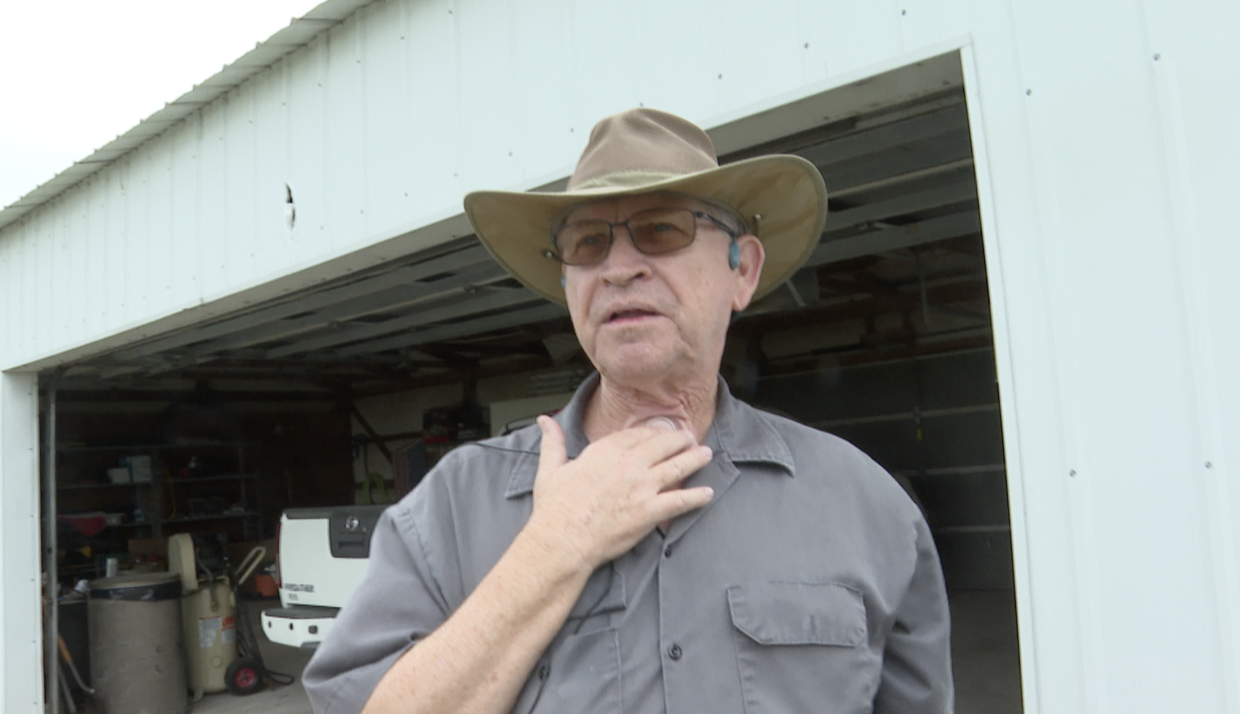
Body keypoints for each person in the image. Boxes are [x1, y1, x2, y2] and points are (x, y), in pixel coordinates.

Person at [303, 108, 953, 714]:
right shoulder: (449, 509)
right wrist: (555, 548)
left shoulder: (868, 508)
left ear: (743, 271)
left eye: (661, 230)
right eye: (587, 244)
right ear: (569, 287)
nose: (617, 268)